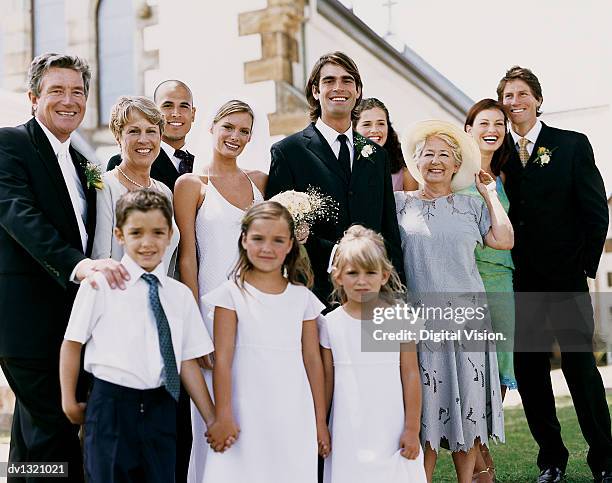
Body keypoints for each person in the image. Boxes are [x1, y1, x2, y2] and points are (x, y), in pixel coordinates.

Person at [0, 53, 128, 482]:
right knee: (57, 428)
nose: (68, 100)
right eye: (56, 90)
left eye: (77, 92)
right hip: (27, 320)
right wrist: (79, 266)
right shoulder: (9, 143)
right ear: (34, 96)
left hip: (73, 322)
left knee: (34, 436)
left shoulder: (82, 163)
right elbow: (19, 214)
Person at [59, 189, 223, 483]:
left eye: (158, 232)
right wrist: (69, 400)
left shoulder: (179, 296)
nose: (147, 242)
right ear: (120, 235)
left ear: (171, 234)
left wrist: (211, 417)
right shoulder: (100, 285)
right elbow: (72, 343)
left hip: (162, 407)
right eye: (136, 233)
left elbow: (186, 360)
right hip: (111, 407)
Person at [497, 66, 612, 483]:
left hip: (565, 281)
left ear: (538, 99)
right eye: (507, 95)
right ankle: (552, 460)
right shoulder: (497, 154)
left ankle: (604, 459)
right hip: (518, 283)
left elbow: (596, 212)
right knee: (530, 375)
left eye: (522, 93)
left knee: (581, 370)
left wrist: (581, 266)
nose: (515, 101)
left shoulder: (571, 145)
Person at [396, 120, 514, 483]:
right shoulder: (400, 204)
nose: (435, 161)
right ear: (417, 161)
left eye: (444, 155)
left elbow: (504, 239)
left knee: (469, 411)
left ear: (455, 164)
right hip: (421, 323)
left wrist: (490, 193)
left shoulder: (470, 206)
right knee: (426, 415)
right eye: (428, 154)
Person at [201, 201, 329, 483]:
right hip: (244, 410)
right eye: (258, 239)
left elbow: (312, 361)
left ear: (290, 245)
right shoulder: (230, 295)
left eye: (278, 240)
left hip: (293, 411)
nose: (267, 248)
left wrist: (320, 421)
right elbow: (222, 360)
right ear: (244, 240)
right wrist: (223, 414)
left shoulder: (302, 298)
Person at [173, 99, 266, 483]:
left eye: (244, 131)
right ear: (211, 127)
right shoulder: (191, 185)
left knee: (255, 412)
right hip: (211, 316)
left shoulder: (260, 181)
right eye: (228, 127)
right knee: (210, 417)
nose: (235, 136)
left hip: (258, 313)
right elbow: (187, 259)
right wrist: (194, 325)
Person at [266, 51, 404, 305]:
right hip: (312, 294)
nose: (338, 88)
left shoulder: (377, 156)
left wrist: (397, 297)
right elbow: (279, 232)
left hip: (373, 295)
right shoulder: (288, 152)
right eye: (329, 81)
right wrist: (336, 255)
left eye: (347, 80)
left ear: (358, 91)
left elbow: (389, 231)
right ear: (316, 91)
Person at [320, 225, 426, 483]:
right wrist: (321, 426)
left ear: (385, 275)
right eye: (352, 273)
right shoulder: (329, 324)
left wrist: (412, 428)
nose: (361, 281)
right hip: (348, 429)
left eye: (370, 273)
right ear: (338, 277)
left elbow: (411, 375)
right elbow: (325, 381)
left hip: (391, 426)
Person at [462, 99, 516, 481]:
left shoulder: (507, 175)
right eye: (484, 122)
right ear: (469, 129)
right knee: (469, 374)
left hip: (500, 281)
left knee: (498, 376)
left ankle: (482, 457)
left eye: (499, 122)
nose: (492, 129)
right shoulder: (452, 171)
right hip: (463, 278)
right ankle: (482, 470)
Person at [92, 96, 180, 275]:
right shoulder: (105, 186)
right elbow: (101, 259)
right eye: (133, 131)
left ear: (160, 136)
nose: (143, 139)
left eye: (151, 131)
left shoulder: (165, 192)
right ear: (118, 137)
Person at [107, 80, 197, 192]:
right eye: (168, 105)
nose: (176, 113)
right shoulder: (123, 162)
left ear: (193, 114)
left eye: (183, 106)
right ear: (155, 112)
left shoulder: (200, 164)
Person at [353, 98, 418, 191]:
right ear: (354, 129)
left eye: (381, 123)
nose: (375, 130)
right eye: (366, 124)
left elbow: (412, 204)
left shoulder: (405, 169)